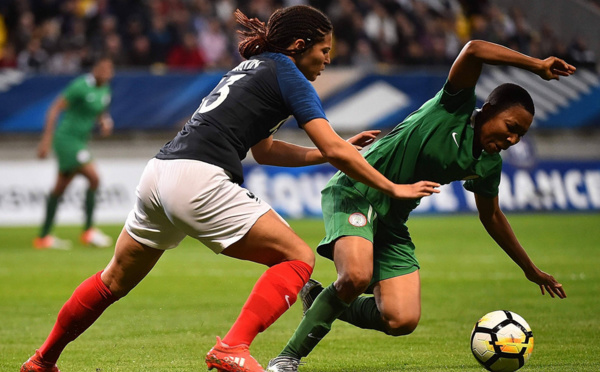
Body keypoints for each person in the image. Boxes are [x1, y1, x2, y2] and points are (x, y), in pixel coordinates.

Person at [20, 6, 439, 372]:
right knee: (296, 257)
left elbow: (265, 150)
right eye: (324, 50)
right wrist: (392, 187)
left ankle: (42, 360)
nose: (327, 60)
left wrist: (331, 153)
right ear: (299, 44)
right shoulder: (290, 75)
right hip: (199, 179)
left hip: (159, 173)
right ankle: (232, 347)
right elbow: (328, 144)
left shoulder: (251, 68)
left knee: (113, 279)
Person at [267, 40, 574, 372]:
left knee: (402, 319)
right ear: (487, 110)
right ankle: (286, 358)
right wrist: (536, 65)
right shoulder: (453, 108)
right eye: (510, 128)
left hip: (392, 221)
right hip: (357, 190)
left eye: (520, 136)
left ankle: (320, 300)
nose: (512, 139)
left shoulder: (488, 164)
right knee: (356, 275)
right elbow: (473, 50)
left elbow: (493, 216)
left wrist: (529, 268)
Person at [34, 57, 115, 250]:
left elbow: (99, 111)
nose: (106, 73)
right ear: (94, 69)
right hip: (67, 140)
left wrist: (103, 121)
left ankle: (44, 237)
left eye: (109, 69)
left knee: (59, 188)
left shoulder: (105, 90)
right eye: (102, 68)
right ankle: (88, 231)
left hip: (80, 141)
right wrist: (45, 141)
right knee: (94, 178)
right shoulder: (79, 86)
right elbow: (54, 109)